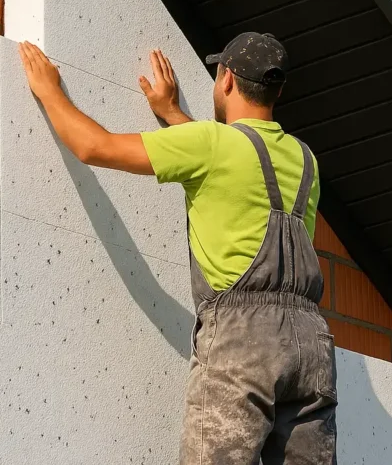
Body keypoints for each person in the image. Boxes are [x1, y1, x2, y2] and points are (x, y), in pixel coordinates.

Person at [18, 32, 337, 465]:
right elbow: (238, 163)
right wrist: (171, 113)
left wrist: (49, 90)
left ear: (225, 80)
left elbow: (94, 146)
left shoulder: (209, 143)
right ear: (277, 90)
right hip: (311, 344)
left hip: (243, 340)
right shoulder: (305, 161)